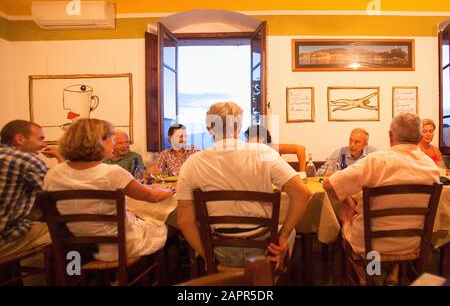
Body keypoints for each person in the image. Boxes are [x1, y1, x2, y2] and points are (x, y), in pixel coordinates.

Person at [176, 102, 312, 267]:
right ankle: (269, 275)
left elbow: (184, 221)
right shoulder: (264, 153)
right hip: (264, 250)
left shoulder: (191, 163)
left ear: (209, 128)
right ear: (238, 126)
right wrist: (282, 237)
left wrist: (208, 257)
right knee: (289, 232)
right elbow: (302, 194)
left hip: (222, 252)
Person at [44, 118, 173, 261]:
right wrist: (171, 190)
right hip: (115, 247)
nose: (114, 143)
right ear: (98, 142)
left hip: (77, 247)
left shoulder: (53, 174)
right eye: (112, 139)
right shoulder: (112, 173)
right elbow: (153, 196)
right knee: (162, 226)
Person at [323, 113, 439, 259]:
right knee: (399, 232)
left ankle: (368, 276)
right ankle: (393, 275)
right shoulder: (431, 166)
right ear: (420, 138)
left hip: (371, 243)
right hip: (414, 243)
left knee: (347, 224)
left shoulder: (376, 161)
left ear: (391, 136)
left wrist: (346, 202)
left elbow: (328, 185)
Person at [0, 120, 62, 258]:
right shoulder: (26, 159)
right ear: (20, 139)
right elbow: (59, 192)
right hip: (4, 238)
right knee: (66, 229)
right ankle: (70, 275)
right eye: (40, 139)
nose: (44, 145)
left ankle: (15, 278)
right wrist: (61, 156)